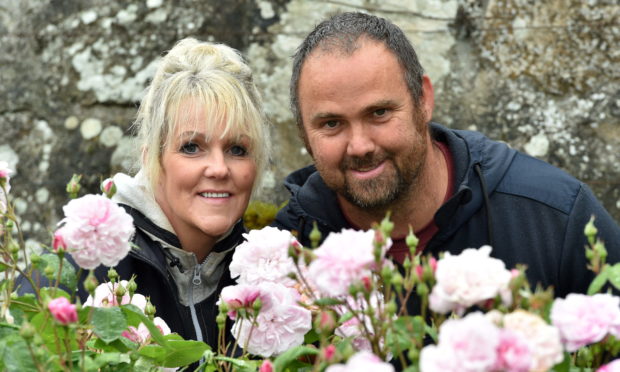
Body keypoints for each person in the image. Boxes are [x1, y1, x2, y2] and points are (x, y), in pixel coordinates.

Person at [273, 12, 620, 298]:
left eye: (379, 113)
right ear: (304, 131)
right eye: (332, 123)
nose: (360, 146)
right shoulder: (284, 253)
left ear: (423, 100)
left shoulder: (554, 217)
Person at [21, 38, 271, 348]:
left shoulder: (268, 278)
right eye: (191, 147)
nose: (219, 169)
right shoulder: (79, 267)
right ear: (151, 157)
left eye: (237, 148)